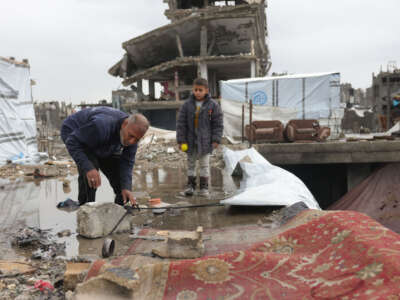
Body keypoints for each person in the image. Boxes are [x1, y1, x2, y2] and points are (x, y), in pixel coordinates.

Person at [61, 107, 149, 206]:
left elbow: (127, 162)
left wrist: (126, 187)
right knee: (91, 173)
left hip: (103, 137)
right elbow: (72, 142)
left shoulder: (133, 135)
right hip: (75, 131)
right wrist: (89, 168)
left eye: (137, 139)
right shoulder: (101, 125)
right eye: (131, 136)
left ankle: (119, 210)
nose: (132, 141)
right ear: (124, 125)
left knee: (122, 185)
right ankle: (86, 209)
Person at [176, 78, 223, 197]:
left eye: (200, 90)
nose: (197, 92)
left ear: (206, 90)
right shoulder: (187, 105)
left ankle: (203, 188)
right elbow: (181, 124)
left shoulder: (213, 105)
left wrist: (216, 139)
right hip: (190, 141)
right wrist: (181, 140)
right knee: (191, 164)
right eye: (195, 90)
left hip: (206, 141)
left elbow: (217, 124)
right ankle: (190, 186)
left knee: (204, 165)